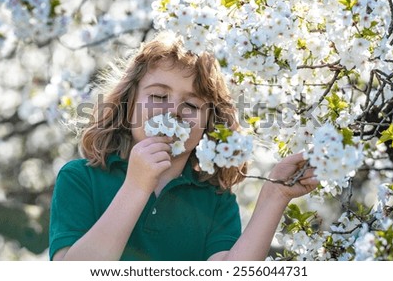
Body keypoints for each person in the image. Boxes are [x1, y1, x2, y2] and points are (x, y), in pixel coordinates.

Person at [49, 31, 318, 261]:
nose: (173, 111)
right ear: (128, 104)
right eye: (157, 95)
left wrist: (275, 195)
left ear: (208, 124)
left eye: (191, 105)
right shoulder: (80, 178)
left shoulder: (215, 201)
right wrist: (137, 186)